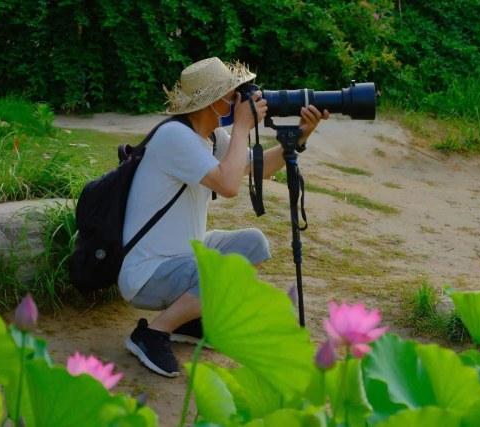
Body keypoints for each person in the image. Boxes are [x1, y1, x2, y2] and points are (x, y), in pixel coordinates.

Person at [118, 57, 329, 377]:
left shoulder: (210, 136)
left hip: (181, 256)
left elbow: (256, 168)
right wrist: (243, 126)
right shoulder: (175, 137)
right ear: (212, 102)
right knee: (221, 272)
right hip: (148, 272)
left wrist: (300, 136)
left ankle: (187, 320)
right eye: (233, 94)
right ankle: (152, 334)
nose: (239, 99)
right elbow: (229, 186)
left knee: (253, 245)